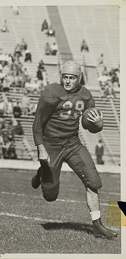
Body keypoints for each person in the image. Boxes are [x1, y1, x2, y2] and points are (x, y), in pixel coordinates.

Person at [31, 60, 118, 239]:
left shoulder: (85, 95)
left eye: (72, 78)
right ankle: (43, 173)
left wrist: (97, 124)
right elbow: (37, 124)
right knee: (50, 195)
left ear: (79, 78)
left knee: (93, 182)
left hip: (72, 142)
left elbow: (90, 124)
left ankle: (97, 226)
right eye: (65, 77)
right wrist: (41, 147)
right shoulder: (51, 93)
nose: (68, 81)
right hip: (51, 144)